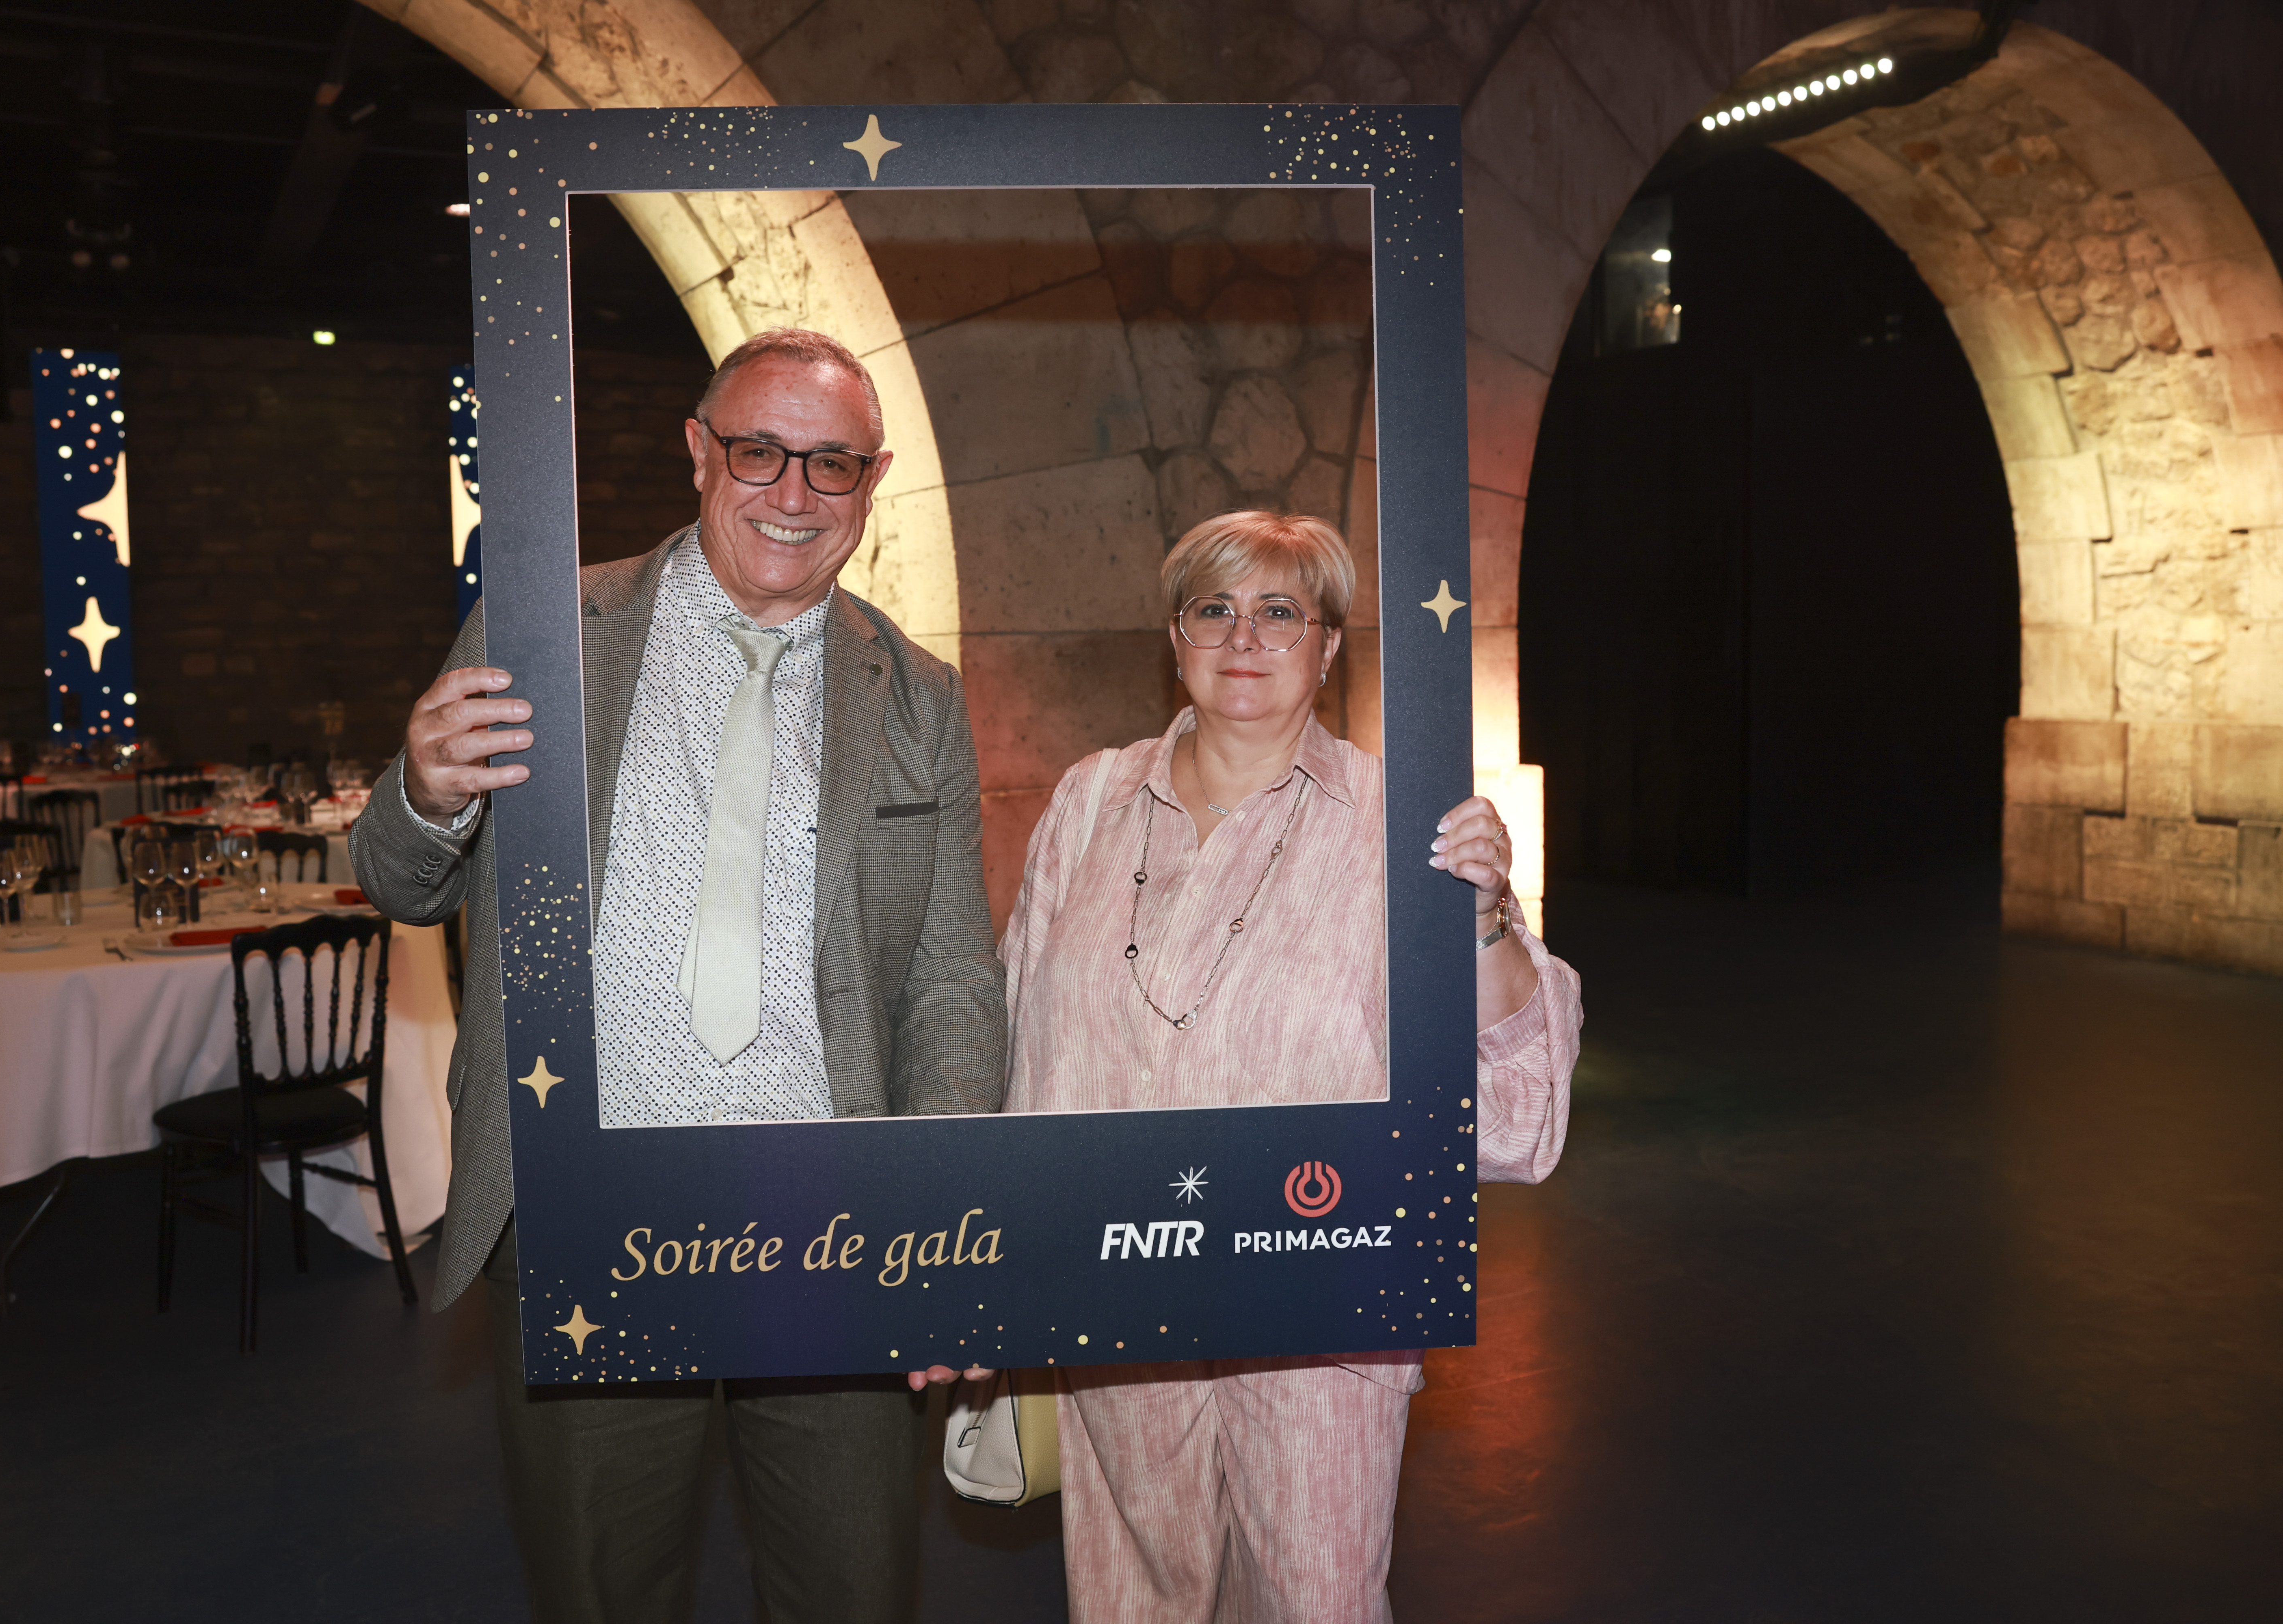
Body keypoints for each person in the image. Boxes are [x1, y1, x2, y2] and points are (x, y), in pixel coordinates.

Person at [351, 328, 1006, 1624]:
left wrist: (937, 1222)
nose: (795, 493)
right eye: (761, 452)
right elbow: (403, 884)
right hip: (592, 1203)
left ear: (872, 483)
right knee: (604, 1591)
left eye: (834, 464)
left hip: (835, 1223)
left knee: (853, 1593)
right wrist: (422, 794)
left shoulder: (920, 696)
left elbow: (948, 983)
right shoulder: (546, 632)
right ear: (700, 453)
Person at [931, 510, 1580, 1623]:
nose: (1245, 637)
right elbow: (1015, 1035)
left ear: (1327, 650)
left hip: (1320, 1300)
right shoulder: (1087, 802)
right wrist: (988, 1261)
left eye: (1281, 612)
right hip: (1116, 1291)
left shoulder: (1405, 827)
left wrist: (1482, 924)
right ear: (1175, 638)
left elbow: (1520, 1121)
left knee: (1314, 1600)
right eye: (1215, 609)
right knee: (1134, 1598)